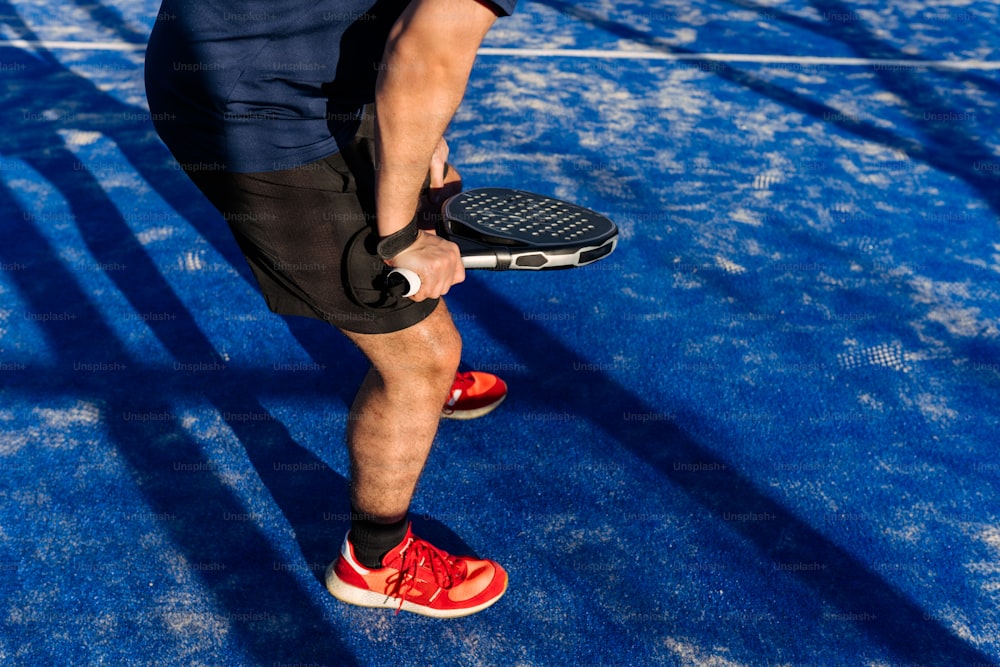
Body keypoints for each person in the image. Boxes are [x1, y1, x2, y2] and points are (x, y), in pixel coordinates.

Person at [144, 0, 517, 617]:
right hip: (259, 103)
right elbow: (425, 52)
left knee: (424, 189)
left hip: (264, 57)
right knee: (424, 358)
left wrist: (419, 137)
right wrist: (398, 239)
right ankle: (375, 561)